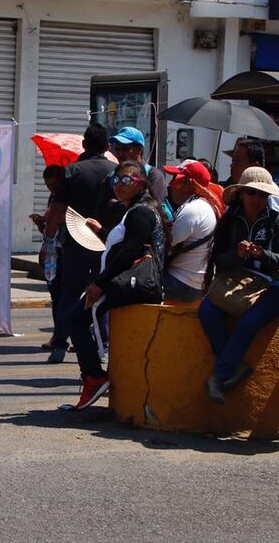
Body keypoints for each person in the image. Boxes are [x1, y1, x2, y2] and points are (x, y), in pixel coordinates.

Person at [64, 162, 169, 409]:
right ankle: (95, 375)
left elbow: (130, 250)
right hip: (127, 282)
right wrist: (101, 231)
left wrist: (99, 284)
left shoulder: (141, 212)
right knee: (76, 319)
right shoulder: (135, 210)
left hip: (129, 283)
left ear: (141, 183)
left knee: (74, 319)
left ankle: (93, 376)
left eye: (127, 181)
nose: (120, 186)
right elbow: (124, 244)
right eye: (117, 180)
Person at [199, 166, 279, 404]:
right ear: (241, 193)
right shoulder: (229, 220)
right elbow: (218, 258)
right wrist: (237, 255)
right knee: (206, 311)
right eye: (252, 193)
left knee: (248, 323)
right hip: (237, 282)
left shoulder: (277, 221)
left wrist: (262, 254)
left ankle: (218, 377)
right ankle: (234, 366)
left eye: (262, 195)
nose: (256, 199)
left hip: (272, 286)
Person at [44, 124, 117, 363]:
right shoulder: (116, 171)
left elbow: (57, 209)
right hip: (106, 241)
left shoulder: (71, 171)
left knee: (69, 294)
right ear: (107, 147)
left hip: (75, 241)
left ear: (84, 145)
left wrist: (48, 242)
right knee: (102, 292)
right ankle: (103, 345)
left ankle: (59, 345)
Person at [162, 160, 222, 303]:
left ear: (188, 183)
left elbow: (164, 245)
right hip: (191, 283)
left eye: (175, 178)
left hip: (180, 283)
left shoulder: (193, 210)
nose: (170, 185)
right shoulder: (203, 205)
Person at [31, 164, 64, 347]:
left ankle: (63, 337)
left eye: (53, 185)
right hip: (52, 253)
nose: (51, 189)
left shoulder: (68, 199)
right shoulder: (54, 197)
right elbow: (49, 228)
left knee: (63, 296)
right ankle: (58, 336)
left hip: (63, 252)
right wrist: (41, 223)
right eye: (48, 186)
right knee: (55, 295)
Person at [225, 137, 279, 213]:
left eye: (238, 161)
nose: (231, 165)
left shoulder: (272, 196)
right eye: (233, 160)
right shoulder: (234, 191)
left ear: (254, 166)